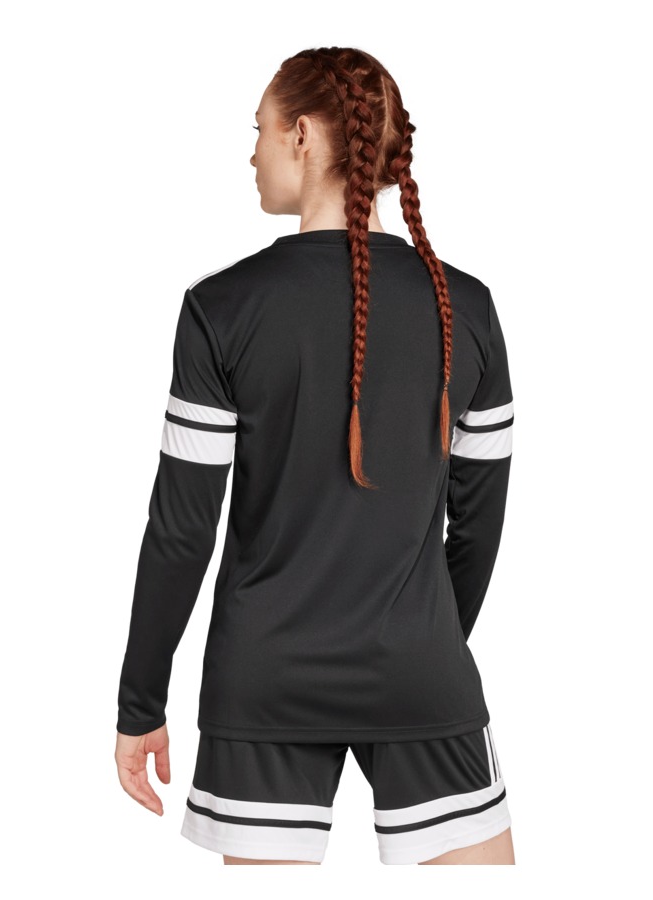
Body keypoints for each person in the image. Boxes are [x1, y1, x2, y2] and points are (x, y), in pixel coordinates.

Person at [114, 46, 516, 866]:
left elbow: (181, 532)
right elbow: (478, 523)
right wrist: (422, 638)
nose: (250, 155)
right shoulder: (466, 309)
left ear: (300, 134)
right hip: (419, 675)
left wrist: (139, 703)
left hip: (264, 680)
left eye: (257, 131)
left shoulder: (222, 308)